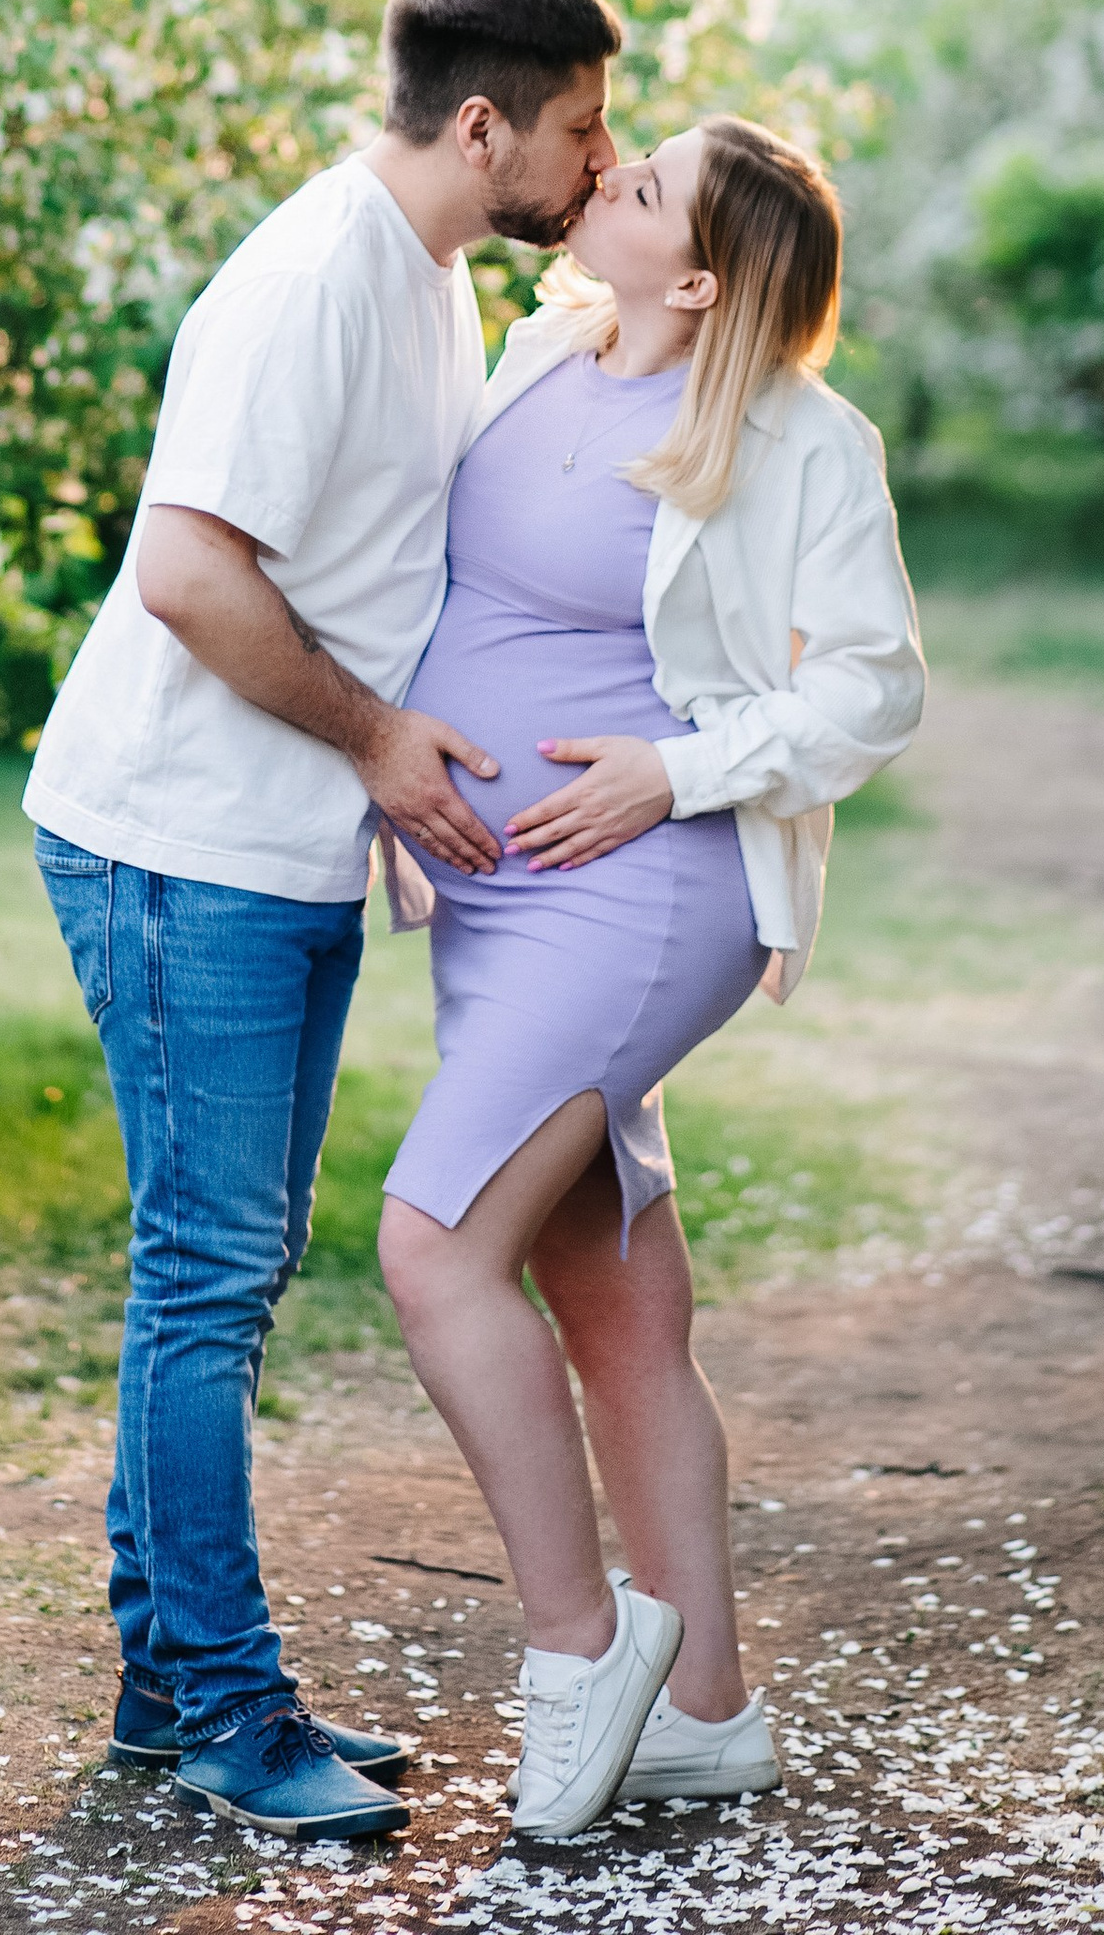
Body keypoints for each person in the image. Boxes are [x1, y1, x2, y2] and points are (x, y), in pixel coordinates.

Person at [24, 0, 624, 1843]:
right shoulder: (307, 284)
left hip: (273, 847)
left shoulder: (436, 281)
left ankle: (163, 1684)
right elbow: (190, 577)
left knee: (225, 1277)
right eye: (583, 128)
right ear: (482, 126)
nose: (598, 162)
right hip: (174, 839)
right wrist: (379, 743)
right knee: (205, 1284)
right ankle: (224, 1709)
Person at [377, 116, 924, 1837]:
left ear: (699, 274)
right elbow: (455, 590)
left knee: (434, 1247)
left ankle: (580, 1652)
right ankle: (706, 1714)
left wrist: (668, 773)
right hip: (504, 897)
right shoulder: (548, 344)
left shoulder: (805, 442)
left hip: (639, 890)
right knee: (615, 1301)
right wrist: (396, 770)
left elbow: (874, 692)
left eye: (645, 184)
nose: (606, 178)